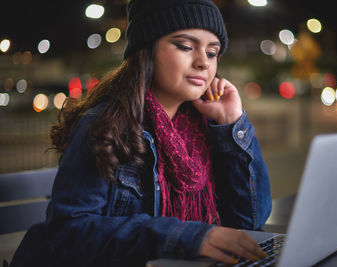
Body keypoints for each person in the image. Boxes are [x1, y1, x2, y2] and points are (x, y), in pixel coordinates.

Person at [9, 0, 272, 266]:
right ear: (147, 49)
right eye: (185, 46)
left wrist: (231, 122)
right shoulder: (105, 125)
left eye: (213, 52)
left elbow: (249, 221)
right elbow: (68, 233)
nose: (203, 62)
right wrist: (185, 236)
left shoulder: (208, 126)